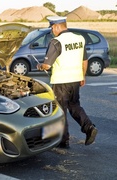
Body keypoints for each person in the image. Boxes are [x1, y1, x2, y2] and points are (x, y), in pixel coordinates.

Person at [37, 16, 98, 148]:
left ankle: (63, 140)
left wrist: (40, 66)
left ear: (57, 26)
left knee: (60, 110)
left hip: (61, 82)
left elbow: (47, 65)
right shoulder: (79, 39)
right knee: (75, 106)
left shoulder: (56, 41)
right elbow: (84, 60)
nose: (52, 31)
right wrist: (82, 76)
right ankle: (89, 128)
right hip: (75, 79)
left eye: (52, 28)